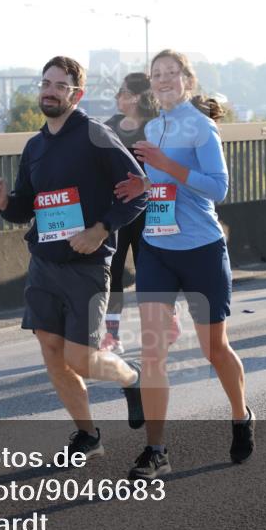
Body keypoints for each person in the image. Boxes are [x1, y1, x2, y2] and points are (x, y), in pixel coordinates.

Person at [0, 56, 148, 457]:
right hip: (44, 264)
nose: (49, 90)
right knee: (53, 355)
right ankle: (87, 434)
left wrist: (100, 230)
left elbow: (139, 192)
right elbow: (27, 207)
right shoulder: (35, 146)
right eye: (45, 83)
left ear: (77, 94)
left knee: (82, 358)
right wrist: (5, 203)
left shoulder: (96, 136)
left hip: (86, 266)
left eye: (60, 85)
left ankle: (132, 378)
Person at [113, 49, 253, 480]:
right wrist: (144, 181)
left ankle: (240, 414)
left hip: (201, 250)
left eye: (172, 73)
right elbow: (162, 183)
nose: (164, 79)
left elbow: (219, 188)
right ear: (151, 84)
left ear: (187, 81)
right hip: (157, 247)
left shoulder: (202, 127)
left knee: (214, 349)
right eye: (157, 74)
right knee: (152, 352)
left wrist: (165, 165)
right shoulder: (154, 126)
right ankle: (156, 450)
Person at [100, 73, 160, 355]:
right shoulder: (109, 127)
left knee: (151, 272)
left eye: (122, 92)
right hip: (118, 210)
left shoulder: (157, 127)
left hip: (150, 210)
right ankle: (112, 335)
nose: (117, 98)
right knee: (114, 272)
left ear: (135, 97)